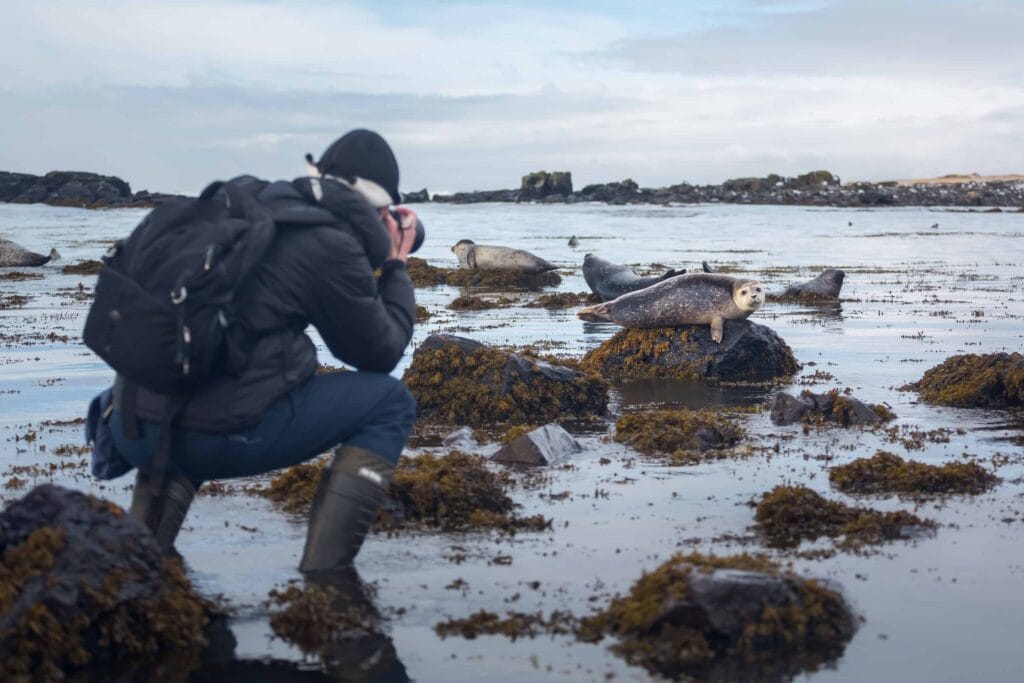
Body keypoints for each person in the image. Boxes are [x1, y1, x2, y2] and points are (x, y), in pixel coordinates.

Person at [106, 129, 418, 572]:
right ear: (378, 206)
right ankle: (327, 578)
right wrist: (395, 266)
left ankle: (139, 556)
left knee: (205, 374)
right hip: (206, 442)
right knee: (391, 402)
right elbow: (380, 353)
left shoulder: (245, 206)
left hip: (129, 425)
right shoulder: (328, 243)